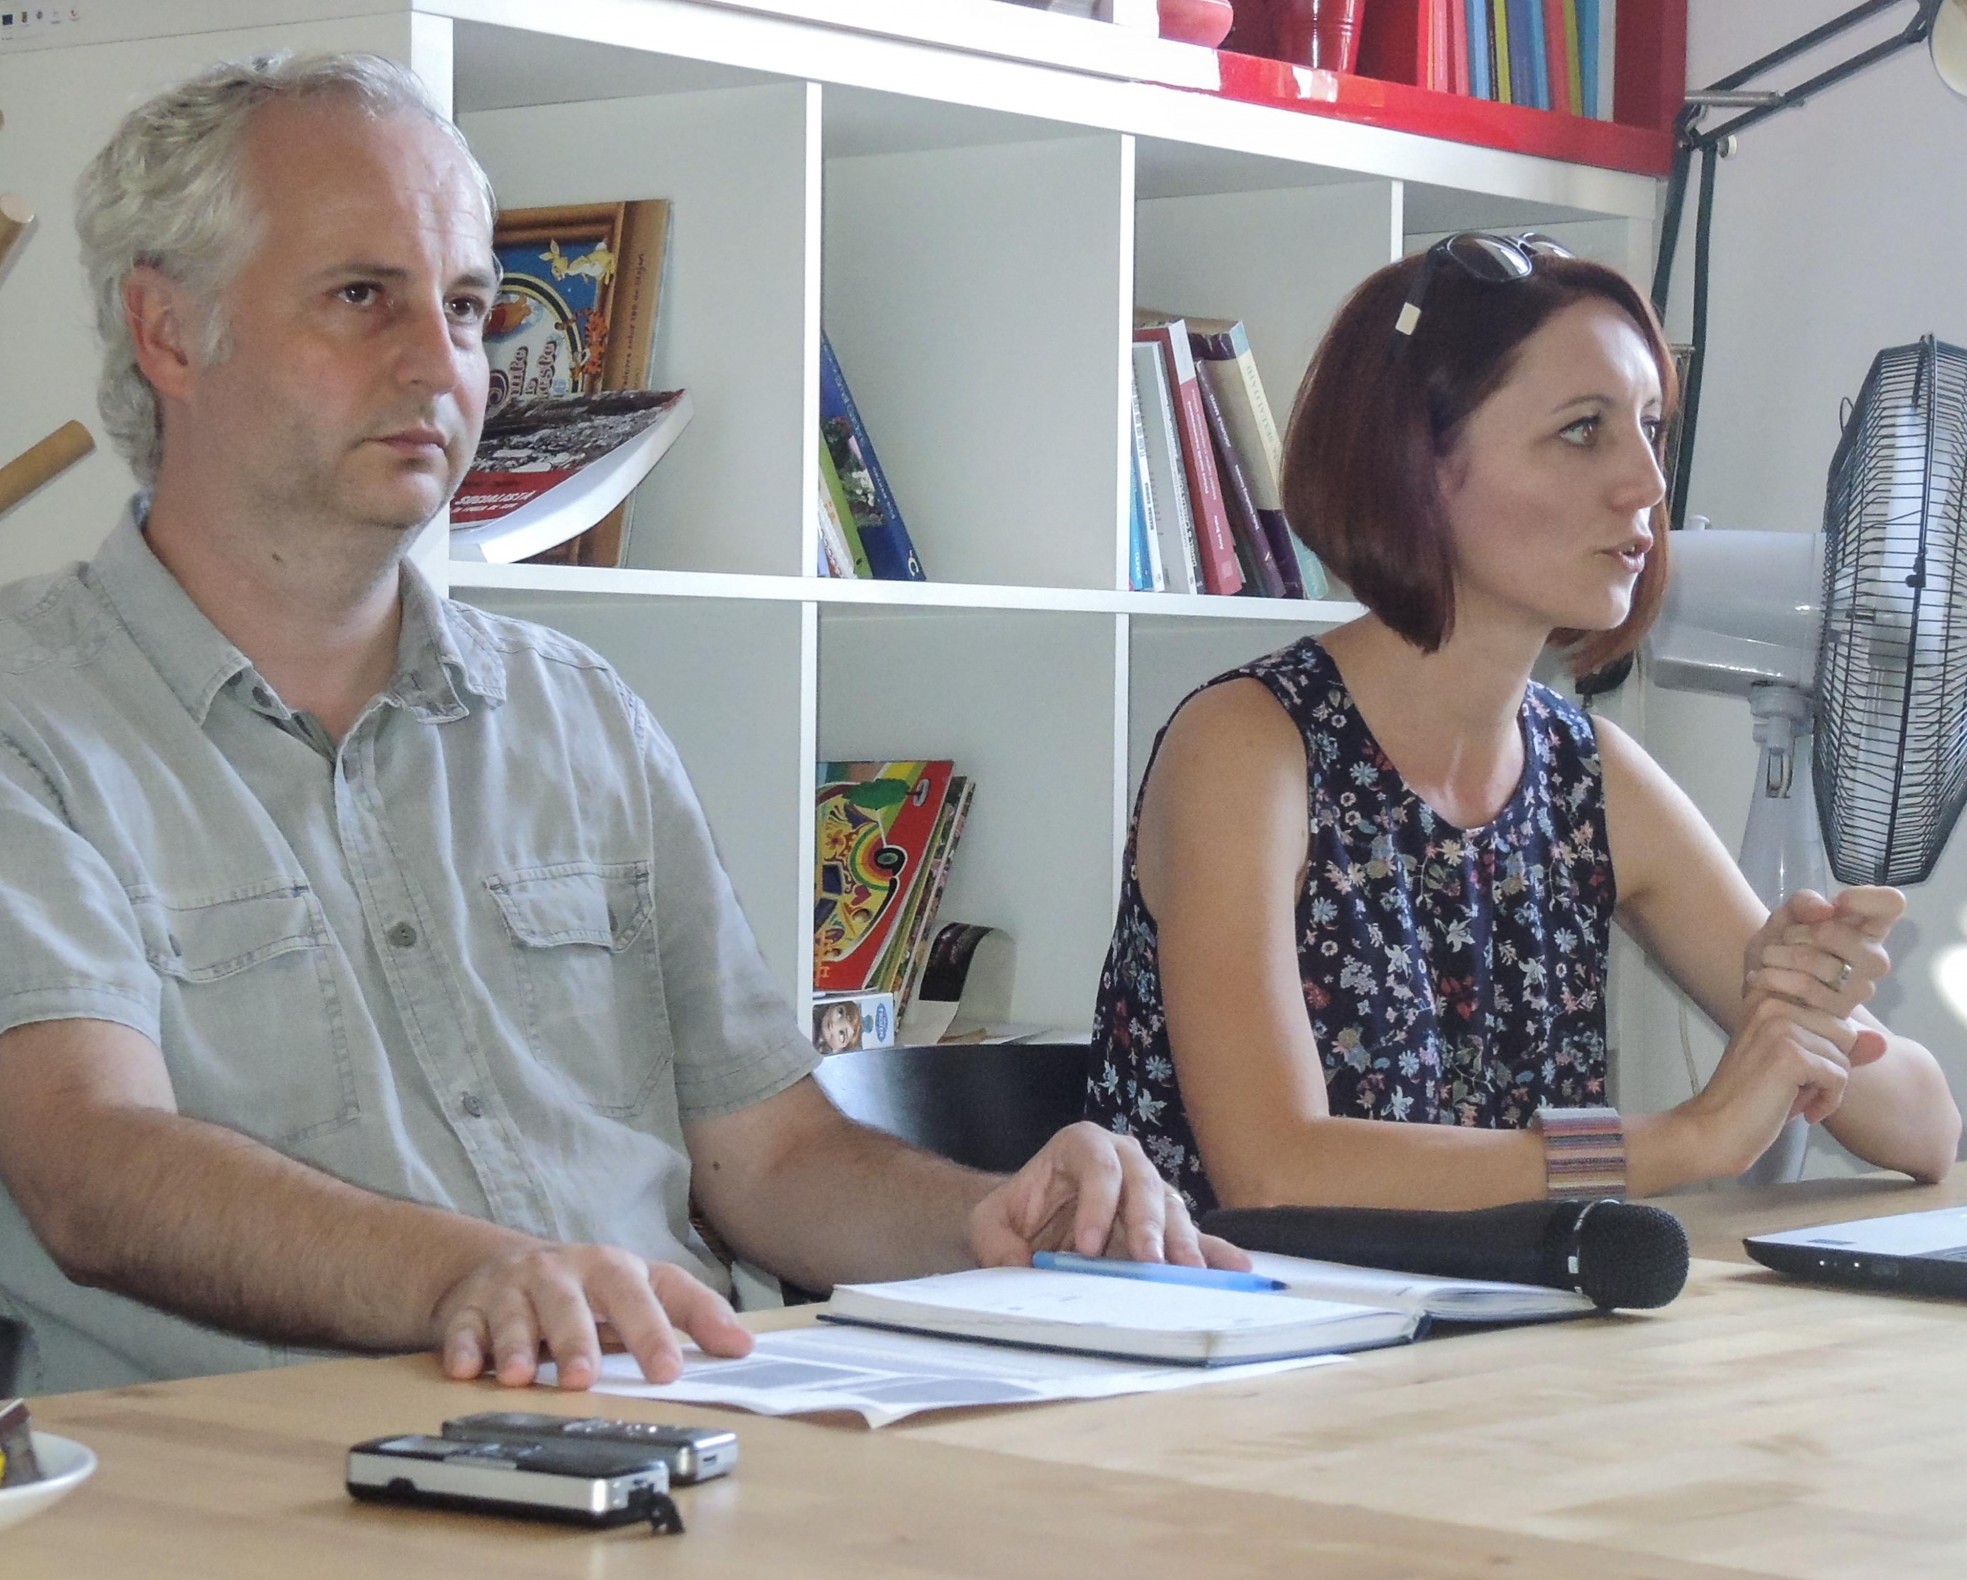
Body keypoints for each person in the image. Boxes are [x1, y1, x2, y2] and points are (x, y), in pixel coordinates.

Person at [0, 52, 1237, 1398]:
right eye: (361, 296)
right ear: (169, 332)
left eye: (464, 307)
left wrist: (991, 1223)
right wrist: (471, 1277)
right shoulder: (31, 712)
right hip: (261, 1472)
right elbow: (90, 1162)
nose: (439, 364)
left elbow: (769, 1157)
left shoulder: (577, 711)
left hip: (681, 1426)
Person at [1085, 235, 1961, 1215]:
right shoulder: (1245, 748)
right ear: (1416, 463)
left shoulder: (1588, 774)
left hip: (1500, 1315)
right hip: (1227, 1313)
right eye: (1583, 430)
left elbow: (1927, 1127)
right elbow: (1277, 1173)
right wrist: (1688, 1137)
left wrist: (1799, 1004)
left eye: (1650, 428)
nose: (1647, 484)